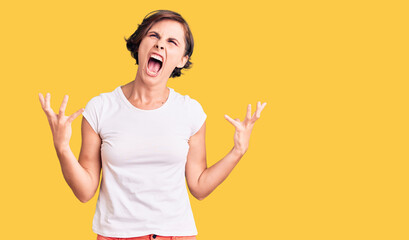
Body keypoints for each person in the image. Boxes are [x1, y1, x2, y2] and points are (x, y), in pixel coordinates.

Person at [38, 9, 267, 240]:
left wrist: (238, 151)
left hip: (177, 235)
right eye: (154, 36)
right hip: (116, 235)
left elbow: (199, 186)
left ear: (182, 60)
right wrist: (62, 148)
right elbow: (85, 191)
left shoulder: (190, 111)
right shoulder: (100, 108)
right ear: (140, 44)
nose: (160, 45)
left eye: (172, 41)